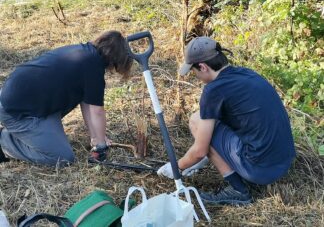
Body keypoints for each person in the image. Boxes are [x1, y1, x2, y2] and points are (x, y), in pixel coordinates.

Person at [157, 36, 295, 205]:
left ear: (203, 67)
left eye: (194, 72)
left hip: (260, 169)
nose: (196, 76)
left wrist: (177, 167)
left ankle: (238, 191)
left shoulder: (213, 90)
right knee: (201, 119)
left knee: (196, 122)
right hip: (284, 161)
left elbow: (200, 150)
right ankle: (222, 158)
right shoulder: (246, 73)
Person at [0, 30, 133, 167]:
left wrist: (96, 137)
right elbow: (96, 111)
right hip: (16, 111)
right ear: (117, 59)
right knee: (62, 157)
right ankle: (4, 142)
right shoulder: (93, 67)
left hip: (31, 101)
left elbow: (87, 103)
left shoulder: (85, 54)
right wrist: (101, 146)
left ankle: (29, 135)